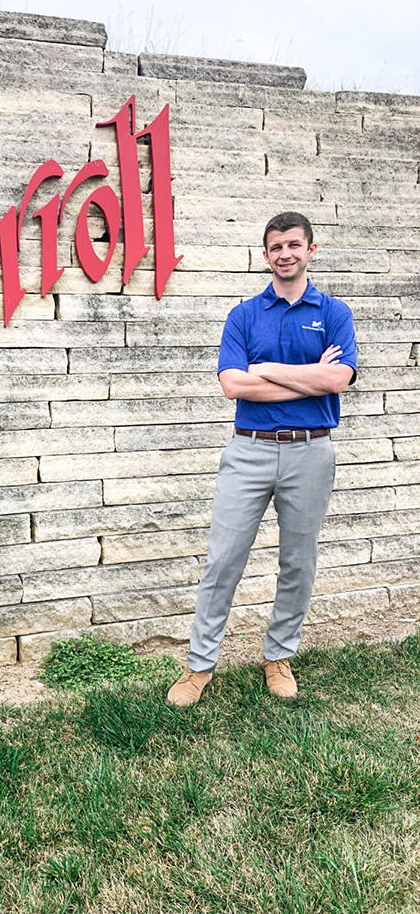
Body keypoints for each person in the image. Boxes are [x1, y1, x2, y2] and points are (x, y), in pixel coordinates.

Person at [166, 211, 358, 705]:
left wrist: (268, 370)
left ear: (310, 249)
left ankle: (278, 656)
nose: (285, 253)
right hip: (248, 450)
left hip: (311, 452)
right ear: (266, 254)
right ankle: (199, 666)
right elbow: (233, 385)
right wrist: (307, 376)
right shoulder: (244, 315)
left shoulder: (334, 313)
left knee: (299, 562)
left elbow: (338, 380)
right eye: (276, 247)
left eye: (294, 244)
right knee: (223, 561)